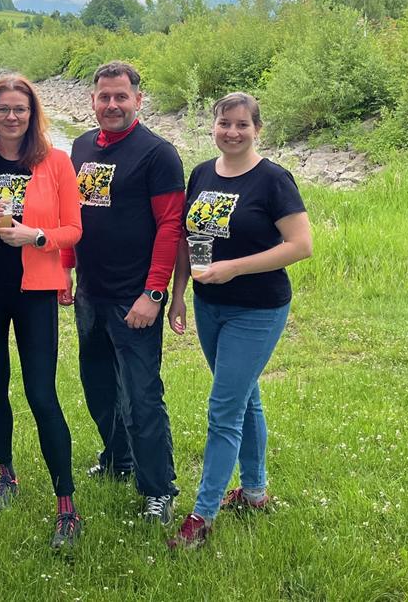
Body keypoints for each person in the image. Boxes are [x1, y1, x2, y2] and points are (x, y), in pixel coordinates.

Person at [166, 92, 312, 550]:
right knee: (245, 397)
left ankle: (202, 516)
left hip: (258, 308)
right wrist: (179, 295)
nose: (232, 132)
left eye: (242, 124)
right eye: (224, 123)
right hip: (209, 306)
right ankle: (254, 492)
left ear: (257, 130)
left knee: (224, 409)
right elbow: (188, 239)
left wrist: (235, 268)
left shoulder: (273, 180)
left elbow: (300, 245)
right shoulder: (201, 174)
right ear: (213, 126)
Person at [61, 61, 185, 525]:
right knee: (98, 386)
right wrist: (66, 269)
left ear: (138, 99)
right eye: (104, 97)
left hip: (134, 298)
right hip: (91, 292)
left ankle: (159, 489)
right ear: (92, 100)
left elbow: (170, 226)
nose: (112, 104)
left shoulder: (157, 154)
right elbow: (72, 215)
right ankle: (118, 458)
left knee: (141, 396)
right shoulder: (81, 146)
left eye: (121, 96)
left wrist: (154, 293)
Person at [0, 75, 84, 550]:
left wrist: (35, 236)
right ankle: (6, 474)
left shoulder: (56, 162)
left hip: (35, 292)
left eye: (20, 109)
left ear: (32, 115)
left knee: (41, 393)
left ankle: (66, 505)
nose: (11, 116)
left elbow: (73, 229)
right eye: (3, 109)